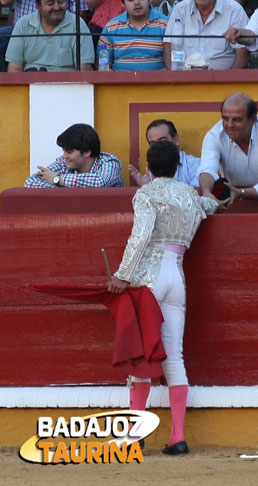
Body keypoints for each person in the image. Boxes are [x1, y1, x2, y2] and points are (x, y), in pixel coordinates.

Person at [107, 140, 224, 455]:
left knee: (140, 356)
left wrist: (121, 274)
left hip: (149, 279)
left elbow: (141, 235)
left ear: (148, 168)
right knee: (174, 356)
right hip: (177, 279)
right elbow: (210, 205)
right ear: (177, 167)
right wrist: (223, 199)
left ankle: (135, 434)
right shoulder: (190, 195)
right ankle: (178, 438)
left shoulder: (146, 193)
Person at [198, 92, 258, 204]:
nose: (229, 125)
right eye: (225, 119)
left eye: (237, 120)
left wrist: (241, 193)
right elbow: (207, 169)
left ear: (253, 120)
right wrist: (206, 194)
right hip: (234, 203)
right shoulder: (214, 136)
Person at [163, 0, 250, 70]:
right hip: (185, 80)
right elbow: (168, 45)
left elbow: (243, 53)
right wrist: (175, 77)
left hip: (221, 80)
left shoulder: (234, 10)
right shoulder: (180, 10)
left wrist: (228, 82)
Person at [6, 0, 94, 71]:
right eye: (50, 3)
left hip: (67, 84)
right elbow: (14, 69)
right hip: (30, 83)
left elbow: (84, 70)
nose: (57, 7)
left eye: (61, 1)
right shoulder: (23, 25)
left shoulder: (78, 24)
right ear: (38, 5)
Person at [97, 0, 168, 71]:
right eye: (131, 0)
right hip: (120, 84)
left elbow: (174, 65)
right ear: (123, 3)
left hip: (158, 84)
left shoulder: (165, 24)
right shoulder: (111, 28)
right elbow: (102, 66)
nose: (137, 3)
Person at [25, 123, 124, 188]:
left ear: (86, 152)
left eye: (69, 152)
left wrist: (58, 179)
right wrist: (60, 188)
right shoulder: (63, 163)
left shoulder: (109, 162)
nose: (64, 156)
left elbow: (100, 182)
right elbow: (30, 182)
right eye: (64, 151)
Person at [129, 119, 200, 187]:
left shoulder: (196, 166)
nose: (159, 146)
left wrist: (152, 189)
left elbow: (194, 197)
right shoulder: (149, 174)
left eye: (162, 140)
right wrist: (146, 188)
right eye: (153, 144)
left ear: (176, 140)